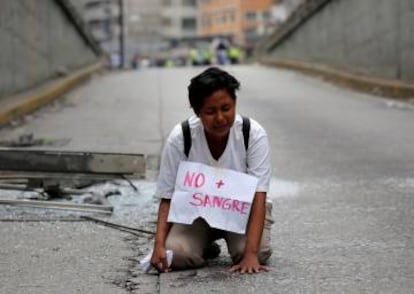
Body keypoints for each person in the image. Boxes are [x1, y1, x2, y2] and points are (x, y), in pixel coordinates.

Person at [150, 67, 273, 274]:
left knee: (255, 253)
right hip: (196, 215)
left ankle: (242, 247)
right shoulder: (181, 138)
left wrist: (250, 254)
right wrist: (159, 246)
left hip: (243, 213)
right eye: (210, 111)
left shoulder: (252, 134)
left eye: (226, 108)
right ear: (197, 112)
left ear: (235, 103)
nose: (220, 118)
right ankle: (203, 246)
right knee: (175, 255)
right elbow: (167, 196)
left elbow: (259, 195)